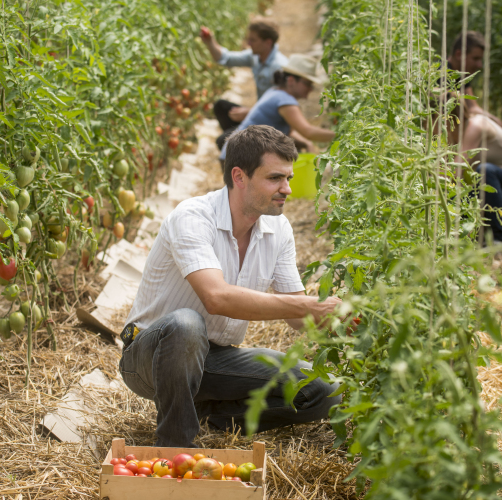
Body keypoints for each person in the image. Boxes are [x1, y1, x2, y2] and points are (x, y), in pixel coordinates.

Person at [119, 125, 343, 448]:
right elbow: (216, 298)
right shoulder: (193, 217)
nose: (287, 189)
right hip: (150, 355)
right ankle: (175, 446)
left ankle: (208, 414)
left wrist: (343, 319)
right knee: (186, 325)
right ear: (239, 177)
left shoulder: (278, 230)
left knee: (325, 390)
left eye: (289, 179)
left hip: (215, 358)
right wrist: (309, 305)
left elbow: (297, 315)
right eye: (275, 178)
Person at [448, 97, 502, 245]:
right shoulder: (458, 134)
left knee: (485, 171)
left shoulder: (476, 125)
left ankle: (498, 241)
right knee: (458, 191)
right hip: (492, 192)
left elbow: (454, 171)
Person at [219, 54, 335, 164]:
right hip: (242, 160)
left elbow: (288, 132)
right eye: (307, 83)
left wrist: (306, 143)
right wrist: (341, 135)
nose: (310, 89)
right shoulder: (285, 101)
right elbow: (308, 132)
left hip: (231, 155)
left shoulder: (275, 91)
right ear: (291, 81)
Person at [199, 21, 289, 150]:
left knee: (223, 141)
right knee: (221, 106)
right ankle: (245, 147)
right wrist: (209, 42)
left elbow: (281, 106)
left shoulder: (279, 67)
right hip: (260, 113)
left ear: (267, 43)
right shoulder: (256, 56)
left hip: (272, 123)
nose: (248, 43)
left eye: (253, 40)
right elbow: (226, 58)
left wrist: (251, 112)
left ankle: (246, 148)